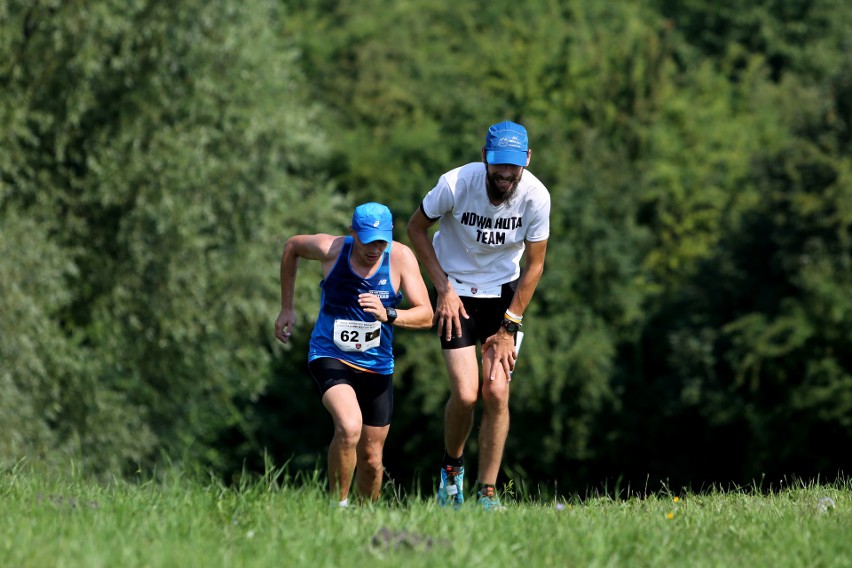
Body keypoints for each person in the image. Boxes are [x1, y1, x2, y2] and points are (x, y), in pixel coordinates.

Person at [407, 121, 550, 510]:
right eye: (498, 165)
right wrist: (443, 288)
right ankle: (451, 472)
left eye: (513, 167)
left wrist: (510, 325)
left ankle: (487, 492)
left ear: (527, 160)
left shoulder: (536, 197)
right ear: (485, 156)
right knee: (467, 395)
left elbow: (535, 265)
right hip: (457, 293)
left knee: (497, 392)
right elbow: (416, 228)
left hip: (503, 297)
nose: (505, 175)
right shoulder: (456, 183)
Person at [275, 202, 433, 506]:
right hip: (330, 354)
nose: (374, 249)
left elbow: (427, 315)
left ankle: (365, 522)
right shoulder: (332, 250)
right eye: (367, 241)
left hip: (377, 365)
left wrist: (389, 314)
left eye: (380, 241)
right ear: (352, 234)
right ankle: (339, 508)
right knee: (349, 427)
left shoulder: (400, 258)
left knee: (372, 460)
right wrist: (287, 307)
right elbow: (292, 246)